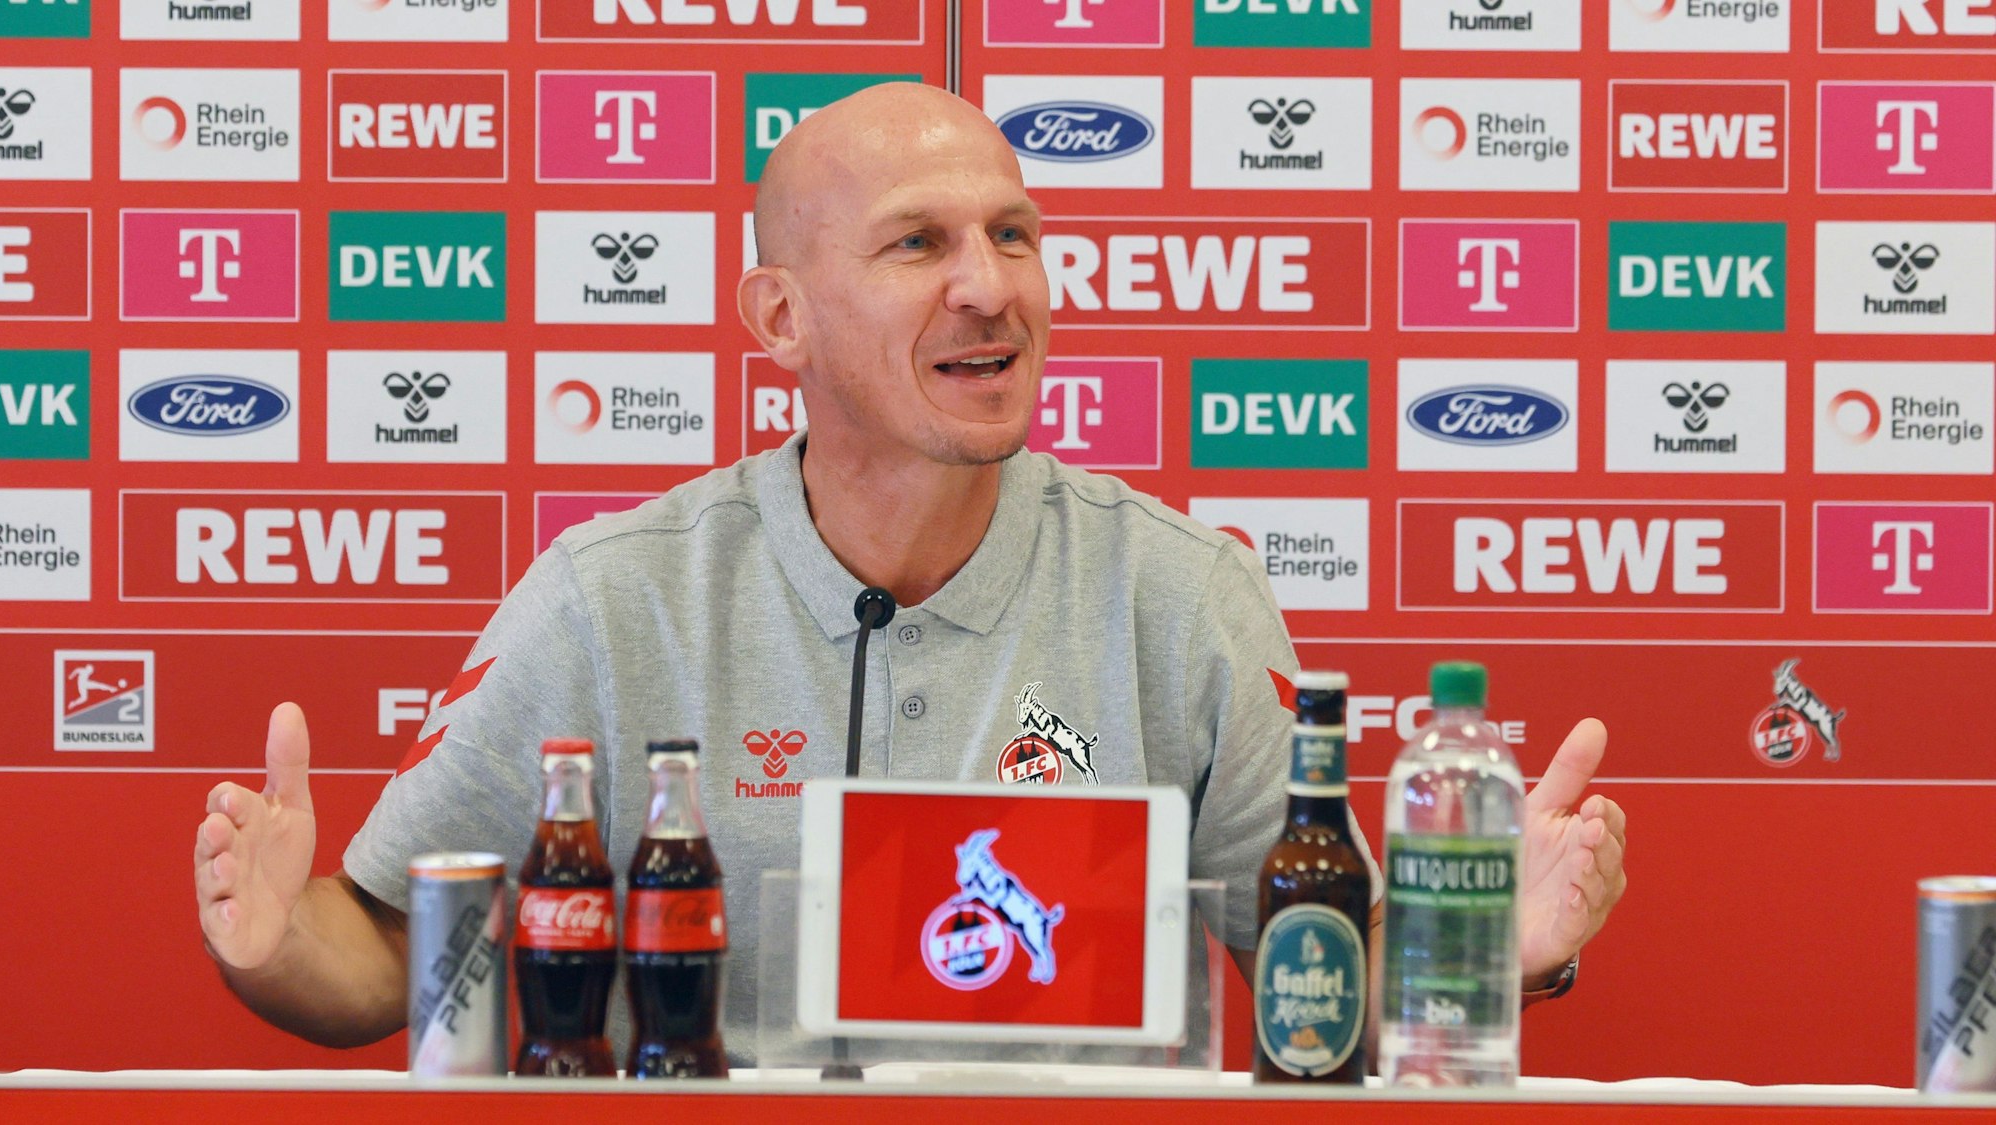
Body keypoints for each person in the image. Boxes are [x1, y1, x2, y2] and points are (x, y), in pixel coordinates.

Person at [192, 83, 1628, 1060]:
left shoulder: (1181, 597)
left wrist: (1496, 951)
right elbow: (382, 952)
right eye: (919, 244)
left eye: (1015, 234)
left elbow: (1331, 979)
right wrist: (270, 942)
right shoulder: (610, 598)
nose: (991, 285)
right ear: (782, 316)